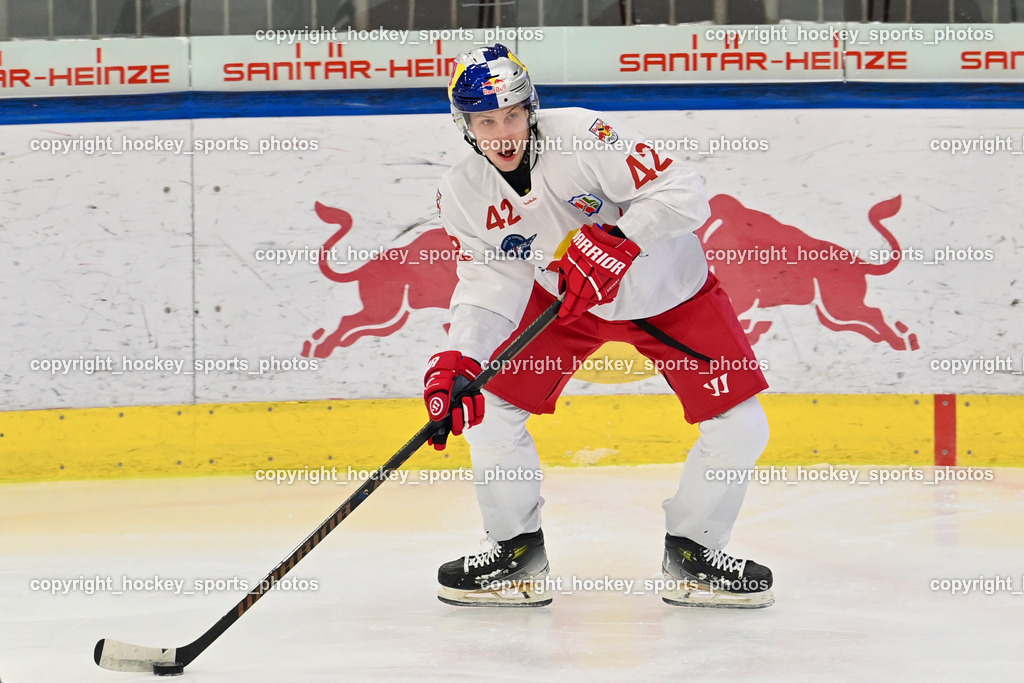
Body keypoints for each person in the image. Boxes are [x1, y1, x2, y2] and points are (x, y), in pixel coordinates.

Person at [424, 44, 773, 609]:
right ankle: (515, 555)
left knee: (741, 427)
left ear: (530, 109)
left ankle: (695, 553)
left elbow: (684, 190)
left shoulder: (585, 135)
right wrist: (461, 357)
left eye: (512, 115)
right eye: (486, 122)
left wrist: (622, 239)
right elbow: (491, 283)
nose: (503, 133)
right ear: (464, 125)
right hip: (564, 301)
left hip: (669, 293)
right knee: (488, 413)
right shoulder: (462, 193)